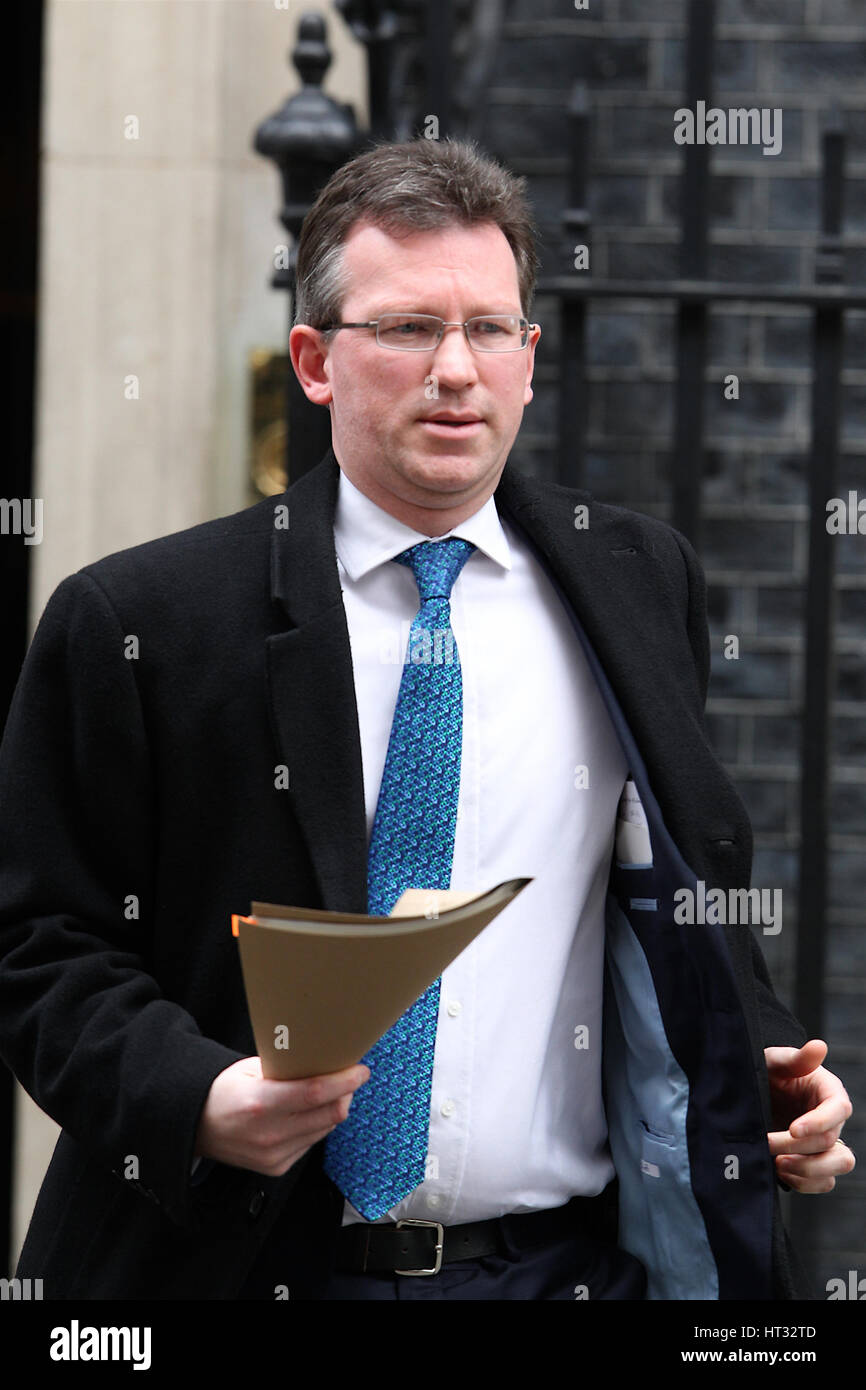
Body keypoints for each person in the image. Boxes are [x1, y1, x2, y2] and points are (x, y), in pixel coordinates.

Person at [0, 137, 854, 1302]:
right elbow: (41, 942)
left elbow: (669, 894)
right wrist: (192, 1096)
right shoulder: (137, 620)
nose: (454, 369)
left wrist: (756, 1080)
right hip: (236, 1265)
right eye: (405, 329)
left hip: (561, 1270)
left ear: (528, 360)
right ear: (314, 360)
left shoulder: (641, 583)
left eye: (488, 329)